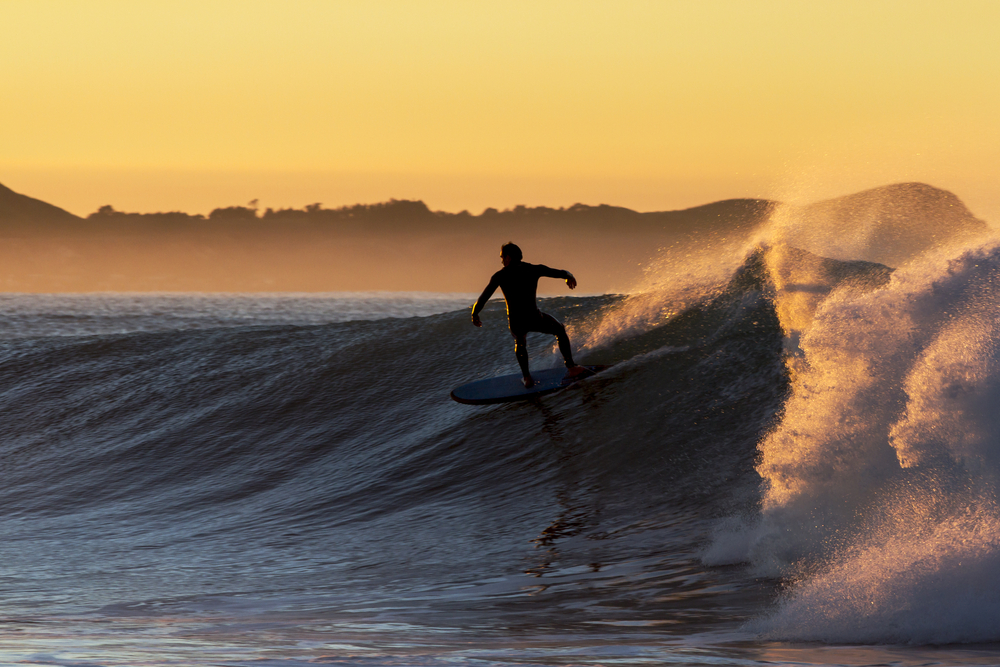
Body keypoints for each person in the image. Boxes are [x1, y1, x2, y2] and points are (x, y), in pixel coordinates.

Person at [471, 242, 586, 388]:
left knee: (520, 341)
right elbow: (557, 272)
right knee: (559, 330)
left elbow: (484, 297)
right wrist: (568, 276)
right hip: (533, 317)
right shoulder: (533, 269)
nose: (501, 261)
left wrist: (475, 313)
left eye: (502, 257)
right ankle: (571, 367)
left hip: (516, 321)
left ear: (508, 257)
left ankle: (527, 378)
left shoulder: (500, 276)